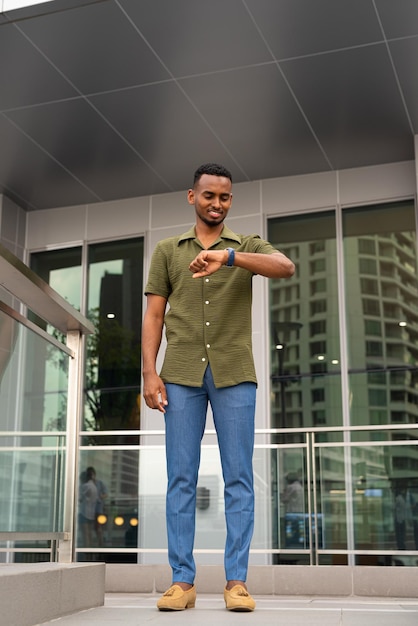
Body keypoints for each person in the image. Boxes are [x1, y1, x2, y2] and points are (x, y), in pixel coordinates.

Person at [142, 163, 295, 611]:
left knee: (239, 478)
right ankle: (182, 582)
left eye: (224, 197)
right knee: (180, 479)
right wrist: (150, 373)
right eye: (208, 195)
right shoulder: (168, 251)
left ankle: (236, 583)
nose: (217, 203)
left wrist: (228, 258)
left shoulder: (245, 246)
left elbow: (285, 267)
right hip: (181, 374)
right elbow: (153, 316)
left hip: (234, 375)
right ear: (192, 197)